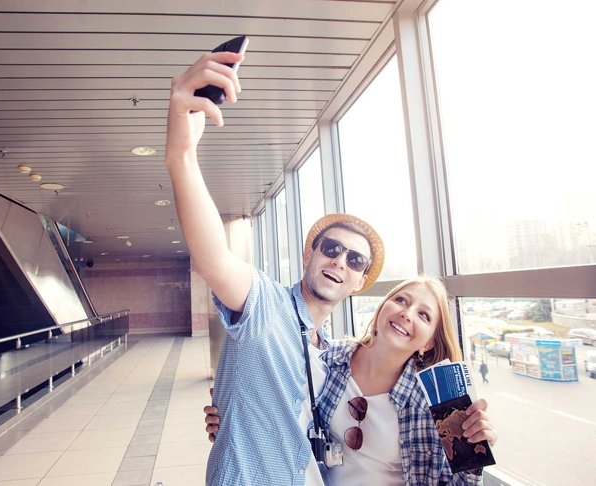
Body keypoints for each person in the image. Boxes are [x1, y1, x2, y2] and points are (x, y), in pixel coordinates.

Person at [166, 51, 384, 485]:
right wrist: (182, 155)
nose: (339, 262)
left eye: (354, 260)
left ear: (359, 282)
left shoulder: (334, 352)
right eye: (331, 248)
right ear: (309, 254)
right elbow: (214, 258)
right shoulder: (264, 303)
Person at [206, 277, 498, 485]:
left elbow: (461, 482)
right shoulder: (330, 360)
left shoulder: (439, 401)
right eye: (400, 300)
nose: (406, 314)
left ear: (430, 343)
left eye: (423, 315)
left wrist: (477, 448)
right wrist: (232, 417)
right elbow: (284, 404)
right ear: (382, 307)